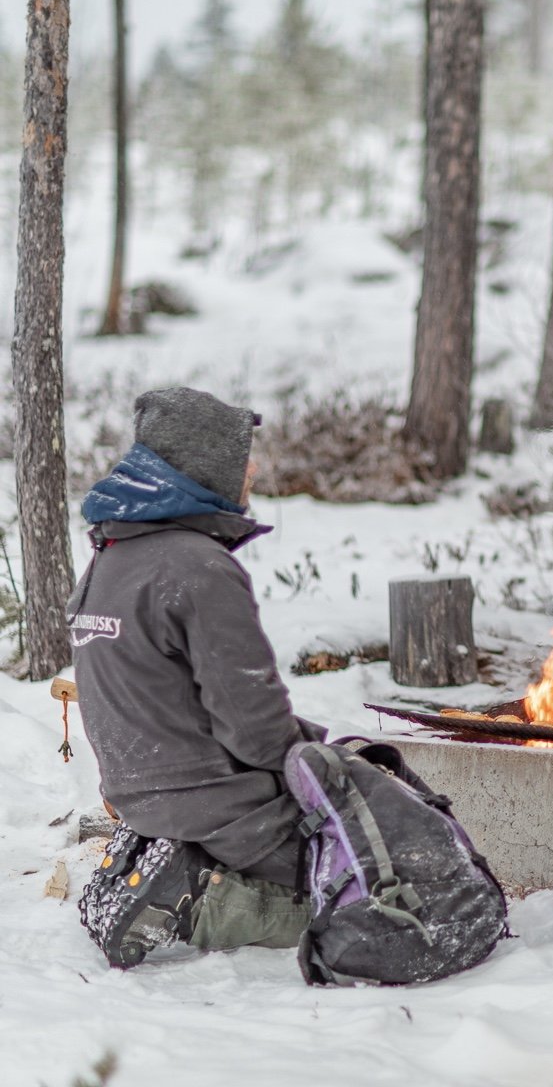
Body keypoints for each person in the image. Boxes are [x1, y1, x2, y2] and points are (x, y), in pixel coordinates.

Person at [69, 387, 322, 969]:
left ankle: (174, 873)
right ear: (204, 466)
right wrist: (320, 769)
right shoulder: (196, 567)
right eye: (241, 457)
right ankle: (201, 900)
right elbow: (256, 733)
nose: (252, 469)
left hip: (142, 800)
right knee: (365, 885)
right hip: (225, 814)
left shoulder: (112, 558)